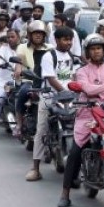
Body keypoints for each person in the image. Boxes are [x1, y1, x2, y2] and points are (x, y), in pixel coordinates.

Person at [59, 34, 104, 207]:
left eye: (99, 48)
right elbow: (87, 90)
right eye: (93, 49)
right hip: (87, 116)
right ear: (88, 52)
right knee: (75, 152)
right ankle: (65, 193)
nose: (96, 52)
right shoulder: (82, 71)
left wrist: (98, 91)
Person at [27, 27, 78, 182]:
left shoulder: (72, 56)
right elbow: (50, 78)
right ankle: (35, 169)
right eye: (65, 39)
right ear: (56, 40)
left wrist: (75, 92)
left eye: (70, 40)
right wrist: (65, 92)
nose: (68, 42)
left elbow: (74, 77)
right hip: (50, 97)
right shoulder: (49, 56)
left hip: (69, 99)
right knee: (41, 130)